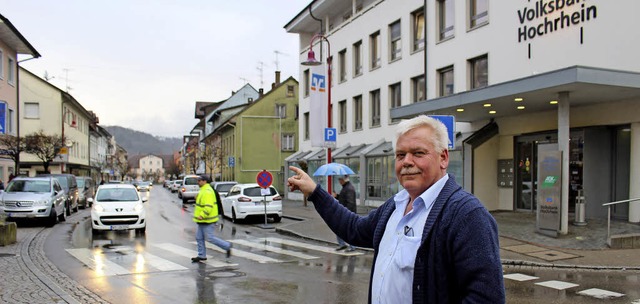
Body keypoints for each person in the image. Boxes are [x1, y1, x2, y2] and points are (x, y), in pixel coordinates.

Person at [287, 115, 505, 303]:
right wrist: (315, 191)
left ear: (443, 158)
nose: (407, 162)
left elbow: (486, 298)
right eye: (401, 155)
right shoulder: (396, 204)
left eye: (418, 153)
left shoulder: (467, 215)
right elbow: (353, 229)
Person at [191, 174, 232, 262]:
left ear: (205, 181)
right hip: (202, 220)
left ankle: (227, 246)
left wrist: (202, 215)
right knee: (199, 237)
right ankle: (201, 255)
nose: (198, 182)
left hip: (207, 220)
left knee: (210, 238)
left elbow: (208, 206)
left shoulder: (207, 191)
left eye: (199, 180)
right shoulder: (203, 190)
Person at [332, 175, 356, 252]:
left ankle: (352, 246)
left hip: (347, 213)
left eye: (340, 179)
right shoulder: (346, 187)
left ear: (344, 180)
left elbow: (350, 203)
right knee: (338, 228)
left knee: (348, 230)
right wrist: (337, 196)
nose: (339, 181)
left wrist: (347, 214)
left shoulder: (349, 188)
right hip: (343, 212)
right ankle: (342, 244)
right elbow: (344, 199)